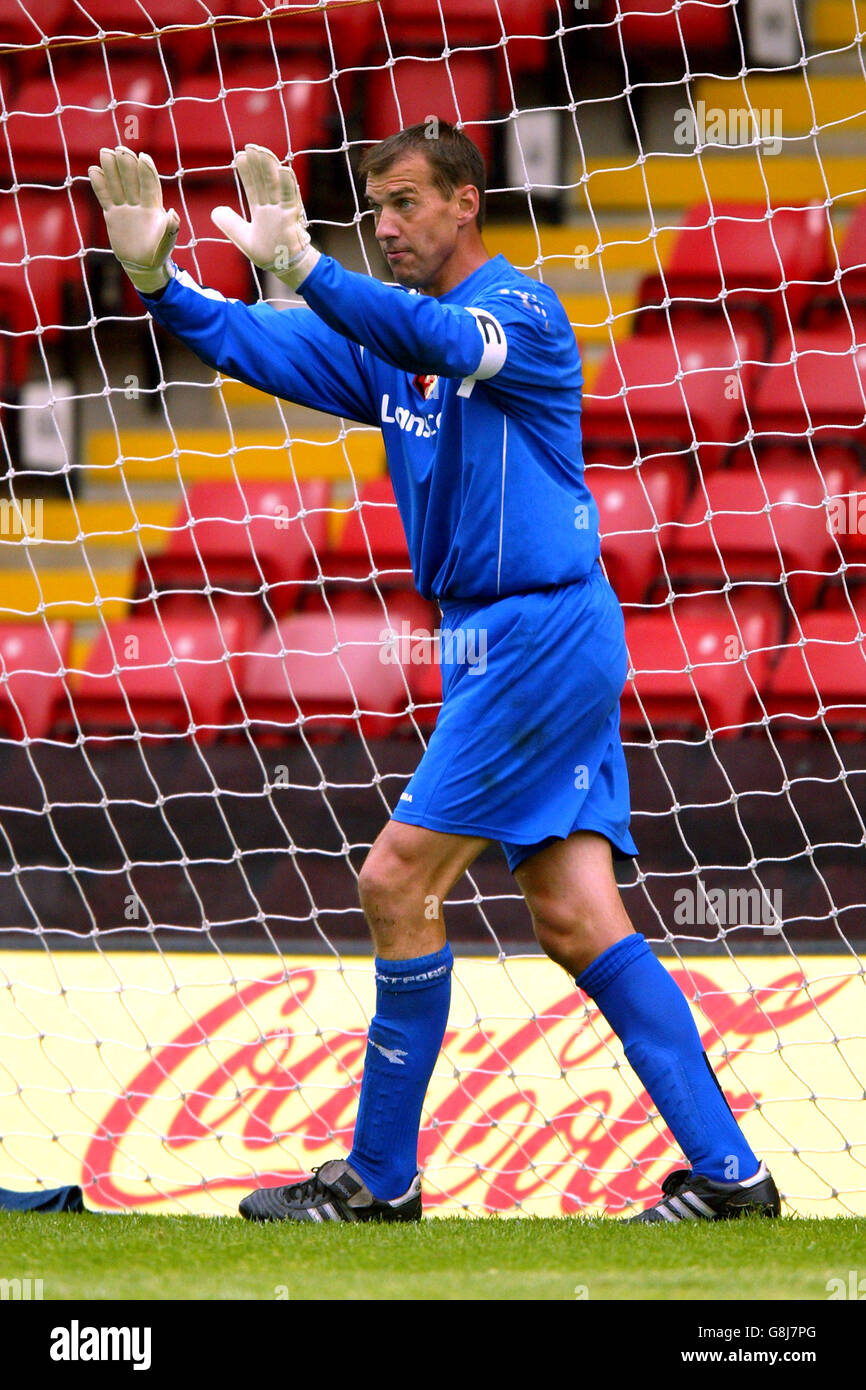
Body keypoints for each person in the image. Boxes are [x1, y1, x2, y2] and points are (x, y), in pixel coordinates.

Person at [89, 122, 780, 1225]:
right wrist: (154, 280)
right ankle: (732, 1178)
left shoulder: (523, 315)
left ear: (466, 203)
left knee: (394, 881)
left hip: (539, 634)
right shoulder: (393, 348)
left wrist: (305, 267)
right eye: (376, 206)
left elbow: (433, 337)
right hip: (490, 640)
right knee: (574, 916)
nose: (389, 224)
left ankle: (378, 1178)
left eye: (407, 203)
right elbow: (257, 349)